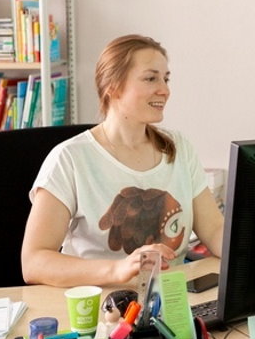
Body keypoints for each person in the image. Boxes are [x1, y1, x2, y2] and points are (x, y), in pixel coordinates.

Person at [21, 34, 224, 287]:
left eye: (166, 78)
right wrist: (118, 269)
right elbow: (34, 262)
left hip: (172, 299)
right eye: (151, 78)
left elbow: (214, 230)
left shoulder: (179, 148)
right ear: (113, 86)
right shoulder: (69, 159)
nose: (165, 90)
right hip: (101, 303)